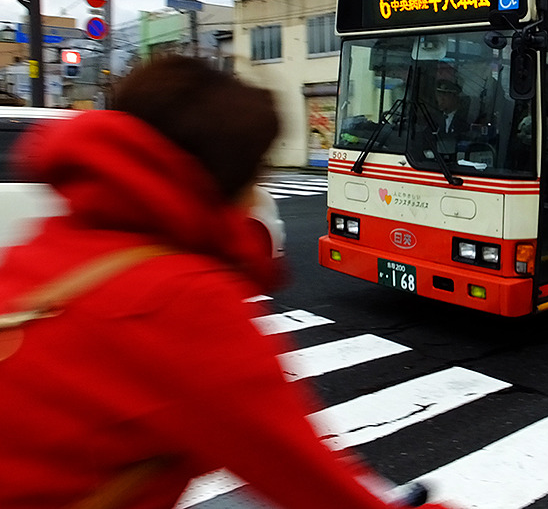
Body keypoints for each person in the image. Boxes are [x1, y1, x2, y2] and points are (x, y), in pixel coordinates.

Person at [0, 56, 452, 509]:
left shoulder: (46, 244)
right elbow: (314, 483)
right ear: (224, 178)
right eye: (258, 174)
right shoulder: (181, 299)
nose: (260, 193)